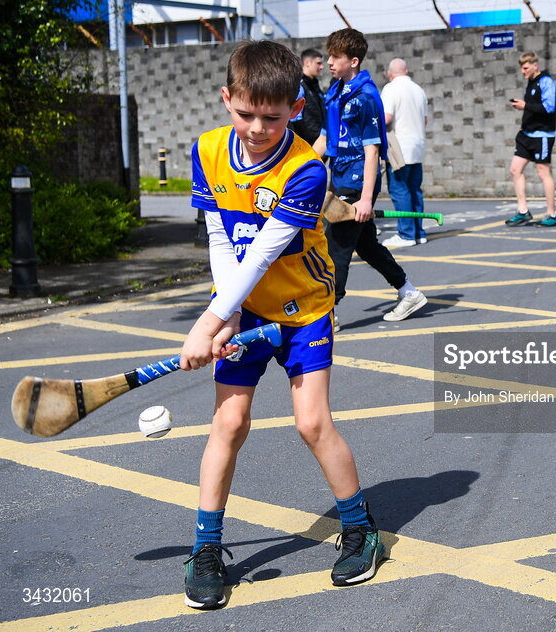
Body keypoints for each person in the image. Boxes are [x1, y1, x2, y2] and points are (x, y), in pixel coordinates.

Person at [180, 40, 386, 610]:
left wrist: (209, 322)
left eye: (271, 118)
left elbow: (265, 253)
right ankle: (205, 548)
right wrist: (227, 312)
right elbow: (223, 236)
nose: (255, 127)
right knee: (229, 424)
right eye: (245, 113)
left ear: (295, 108)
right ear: (227, 99)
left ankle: (360, 528)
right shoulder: (206, 151)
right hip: (245, 304)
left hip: (303, 310)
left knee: (311, 423)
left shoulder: (306, 170)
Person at [313, 28, 427, 327]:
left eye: (335, 57)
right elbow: (325, 139)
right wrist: (298, 168)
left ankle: (327, 313)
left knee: (335, 244)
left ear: (353, 60)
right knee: (366, 245)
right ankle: (409, 291)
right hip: (339, 176)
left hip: (357, 179)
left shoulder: (366, 97)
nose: (329, 62)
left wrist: (365, 198)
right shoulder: (335, 93)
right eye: (328, 56)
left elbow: (373, 150)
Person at [505, 51, 556, 228]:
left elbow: (549, 107)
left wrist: (525, 105)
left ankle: (551, 214)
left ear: (535, 65)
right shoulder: (531, 82)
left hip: (542, 136)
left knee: (543, 173)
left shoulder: (546, 81)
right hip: (526, 135)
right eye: (522, 68)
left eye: (526, 68)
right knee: (515, 169)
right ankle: (523, 212)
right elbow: (532, 108)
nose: (523, 72)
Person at [380, 58, 429, 249]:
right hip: (417, 146)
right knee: (415, 190)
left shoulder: (391, 88)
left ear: (389, 73)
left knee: (399, 190)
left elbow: (387, 118)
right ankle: (419, 233)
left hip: (399, 147)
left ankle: (406, 234)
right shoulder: (419, 90)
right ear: (406, 71)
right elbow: (425, 120)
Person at [288, 48, 326, 145]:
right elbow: (295, 119)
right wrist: (308, 140)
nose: (322, 67)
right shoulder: (299, 85)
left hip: (318, 140)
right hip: (308, 143)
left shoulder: (314, 84)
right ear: (307, 62)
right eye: (318, 63)